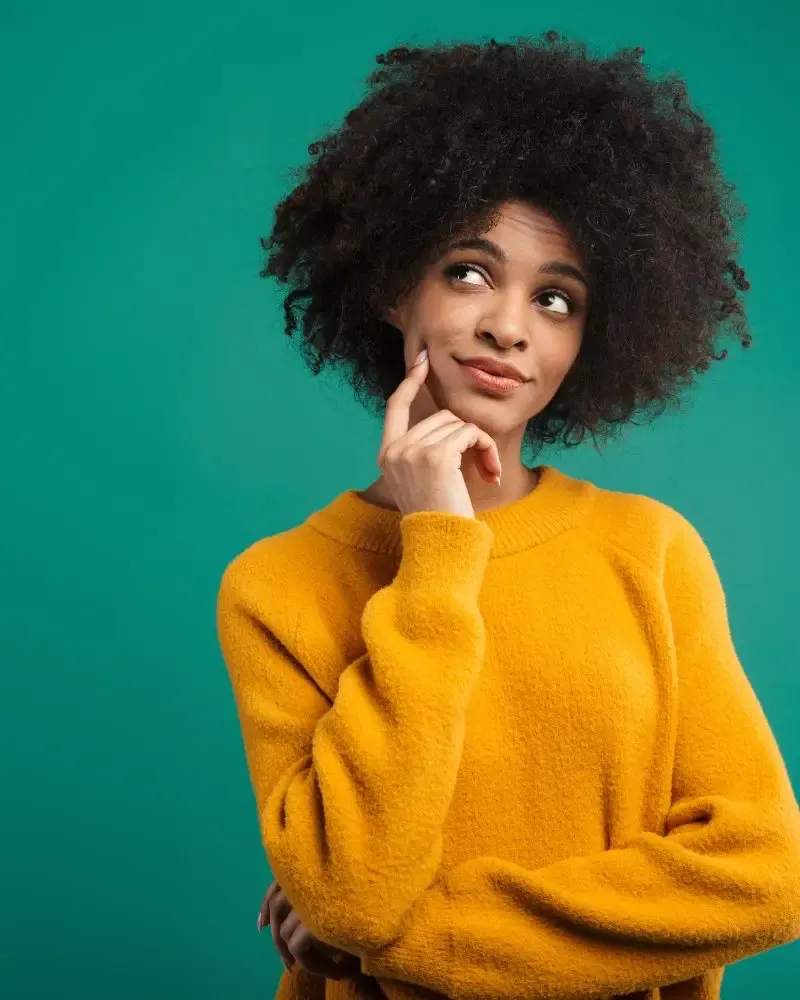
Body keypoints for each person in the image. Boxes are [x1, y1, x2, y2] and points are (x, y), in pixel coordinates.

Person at [216, 31, 800, 1000]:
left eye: (557, 298)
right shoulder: (275, 586)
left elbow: (764, 876)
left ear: (590, 340)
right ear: (396, 281)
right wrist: (437, 550)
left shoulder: (646, 550)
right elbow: (356, 892)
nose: (509, 325)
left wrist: (417, 942)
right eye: (469, 272)